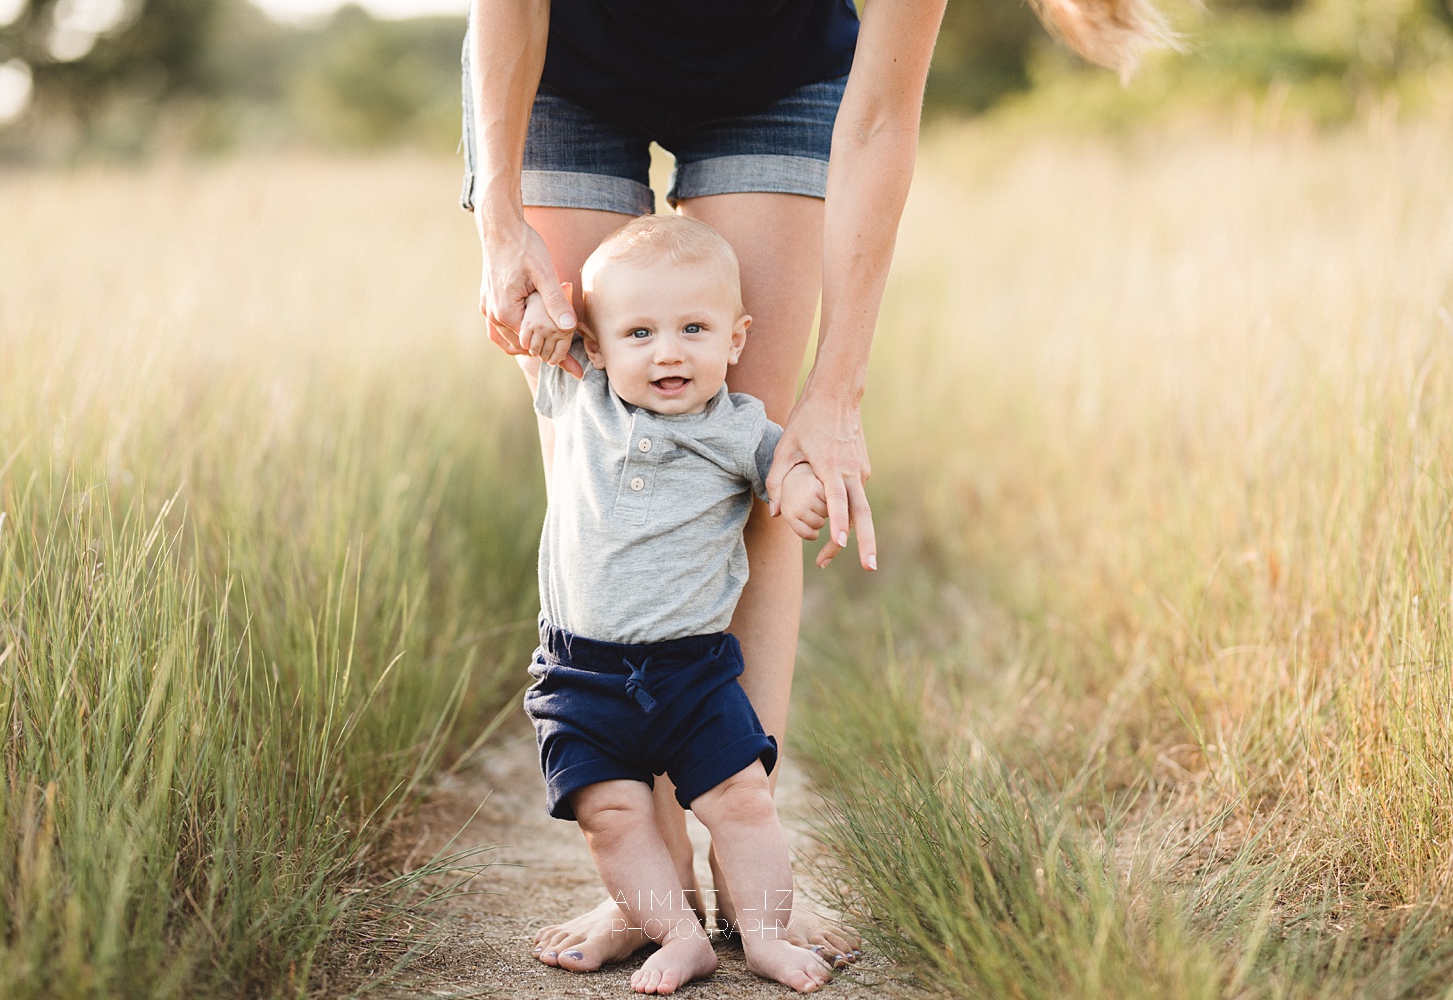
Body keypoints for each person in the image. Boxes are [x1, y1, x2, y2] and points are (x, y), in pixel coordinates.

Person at [463, 0, 1171, 972]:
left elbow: (878, 118)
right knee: (595, 445)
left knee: (754, 466)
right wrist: (499, 217)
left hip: (775, 75)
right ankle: (649, 884)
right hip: (565, 72)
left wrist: (836, 390)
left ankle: (754, 868)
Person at [516, 214, 836, 994]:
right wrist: (538, 320)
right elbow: (531, 341)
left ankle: (762, 933)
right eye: (639, 332)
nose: (668, 351)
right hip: (581, 673)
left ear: (736, 339)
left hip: (691, 671)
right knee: (612, 817)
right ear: (596, 343)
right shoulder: (579, 394)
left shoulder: (738, 428)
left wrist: (801, 492)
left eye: (695, 328)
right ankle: (677, 934)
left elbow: (781, 466)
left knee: (744, 801)